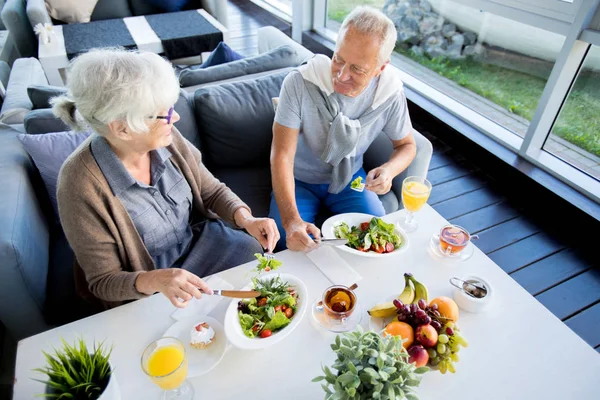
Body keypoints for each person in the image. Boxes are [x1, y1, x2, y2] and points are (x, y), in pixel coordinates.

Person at [54, 48, 280, 309]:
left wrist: (246, 218)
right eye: (164, 114)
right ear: (122, 128)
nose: (176, 117)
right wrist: (155, 280)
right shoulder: (78, 185)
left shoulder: (168, 138)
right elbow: (104, 281)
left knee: (255, 267)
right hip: (148, 281)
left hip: (201, 242)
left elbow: (212, 191)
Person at [270, 6, 417, 252]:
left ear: (381, 67)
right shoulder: (300, 83)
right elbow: (281, 155)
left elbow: (407, 146)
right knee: (287, 245)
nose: (341, 75)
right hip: (299, 180)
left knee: (376, 237)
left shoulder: (389, 94)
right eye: (338, 58)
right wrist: (292, 221)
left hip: (350, 179)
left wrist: (388, 171)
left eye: (357, 69)